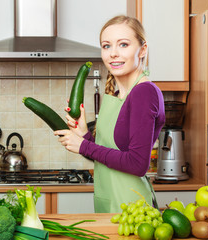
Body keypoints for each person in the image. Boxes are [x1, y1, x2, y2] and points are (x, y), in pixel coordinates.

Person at [54, 15, 166, 213]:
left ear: (143, 50)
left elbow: (137, 164)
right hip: (110, 203)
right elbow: (108, 155)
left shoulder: (144, 93)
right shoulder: (114, 95)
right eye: (106, 46)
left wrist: (83, 145)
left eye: (123, 44)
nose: (113, 53)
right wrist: (84, 136)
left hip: (133, 209)